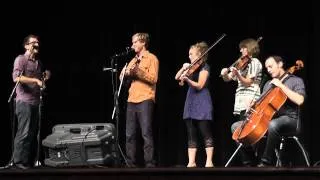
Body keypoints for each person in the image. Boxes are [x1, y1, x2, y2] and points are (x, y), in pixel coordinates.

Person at [231, 55, 306, 167]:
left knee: (273, 124)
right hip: (268, 120)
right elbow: (261, 104)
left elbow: (300, 100)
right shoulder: (268, 84)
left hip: (290, 119)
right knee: (236, 127)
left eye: (271, 66)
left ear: (280, 64)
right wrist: (252, 106)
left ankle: (266, 161)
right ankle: (250, 163)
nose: (269, 70)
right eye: (267, 68)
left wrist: (281, 85)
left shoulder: (296, 80)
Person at [220, 38, 263, 166]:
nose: (240, 50)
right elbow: (228, 78)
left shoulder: (255, 62)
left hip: (251, 99)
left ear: (249, 48)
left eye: (243, 48)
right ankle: (249, 162)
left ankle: (249, 162)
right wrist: (224, 74)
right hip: (240, 100)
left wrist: (238, 75)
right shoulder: (241, 62)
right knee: (241, 131)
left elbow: (249, 82)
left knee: (246, 132)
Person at [120, 33, 159, 168]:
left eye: (135, 42)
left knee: (146, 133)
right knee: (129, 134)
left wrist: (138, 72)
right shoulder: (132, 60)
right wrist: (123, 75)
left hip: (145, 99)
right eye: (132, 42)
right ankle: (130, 163)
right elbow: (123, 80)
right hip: (132, 99)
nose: (133, 45)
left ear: (143, 42)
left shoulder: (152, 58)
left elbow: (153, 78)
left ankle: (149, 164)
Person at [11, 34, 50, 169]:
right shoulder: (21, 59)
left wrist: (45, 77)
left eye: (38, 42)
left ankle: (27, 161)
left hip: (35, 102)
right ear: (26, 45)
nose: (36, 44)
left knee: (32, 133)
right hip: (24, 101)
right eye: (33, 42)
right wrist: (35, 80)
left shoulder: (38, 63)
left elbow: (41, 80)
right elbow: (16, 78)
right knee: (24, 132)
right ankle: (18, 161)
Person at [175, 41, 214, 168]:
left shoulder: (205, 67)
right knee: (191, 133)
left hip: (202, 100)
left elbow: (200, 85)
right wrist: (183, 68)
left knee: (205, 132)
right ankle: (191, 162)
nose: (190, 57)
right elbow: (176, 77)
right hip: (191, 100)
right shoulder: (191, 67)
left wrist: (188, 80)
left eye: (192, 54)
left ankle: (209, 161)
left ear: (200, 55)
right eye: (189, 55)